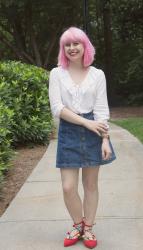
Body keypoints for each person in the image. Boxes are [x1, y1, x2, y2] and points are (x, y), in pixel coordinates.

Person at [49, 26, 116, 249]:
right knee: (68, 187)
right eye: (67, 44)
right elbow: (58, 108)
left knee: (90, 185)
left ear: (84, 45)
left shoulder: (98, 75)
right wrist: (87, 123)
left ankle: (88, 228)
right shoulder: (56, 73)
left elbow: (101, 110)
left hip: (95, 134)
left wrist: (105, 140)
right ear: (63, 49)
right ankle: (77, 224)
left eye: (76, 43)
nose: (71, 48)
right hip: (69, 130)